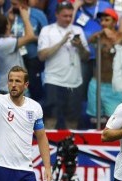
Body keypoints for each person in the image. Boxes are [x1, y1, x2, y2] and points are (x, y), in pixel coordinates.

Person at [37, 1, 89, 129]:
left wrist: (80, 46)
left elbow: (86, 57)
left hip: (74, 82)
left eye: (70, 16)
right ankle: (48, 148)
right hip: (54, 81)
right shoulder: (47, 30)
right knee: (50, 119)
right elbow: (41, 56)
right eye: (65, 16)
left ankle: (71, 149)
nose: (68, 19)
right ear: (56, 14)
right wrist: (62, 42)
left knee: (72, 121)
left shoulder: (78, 30)